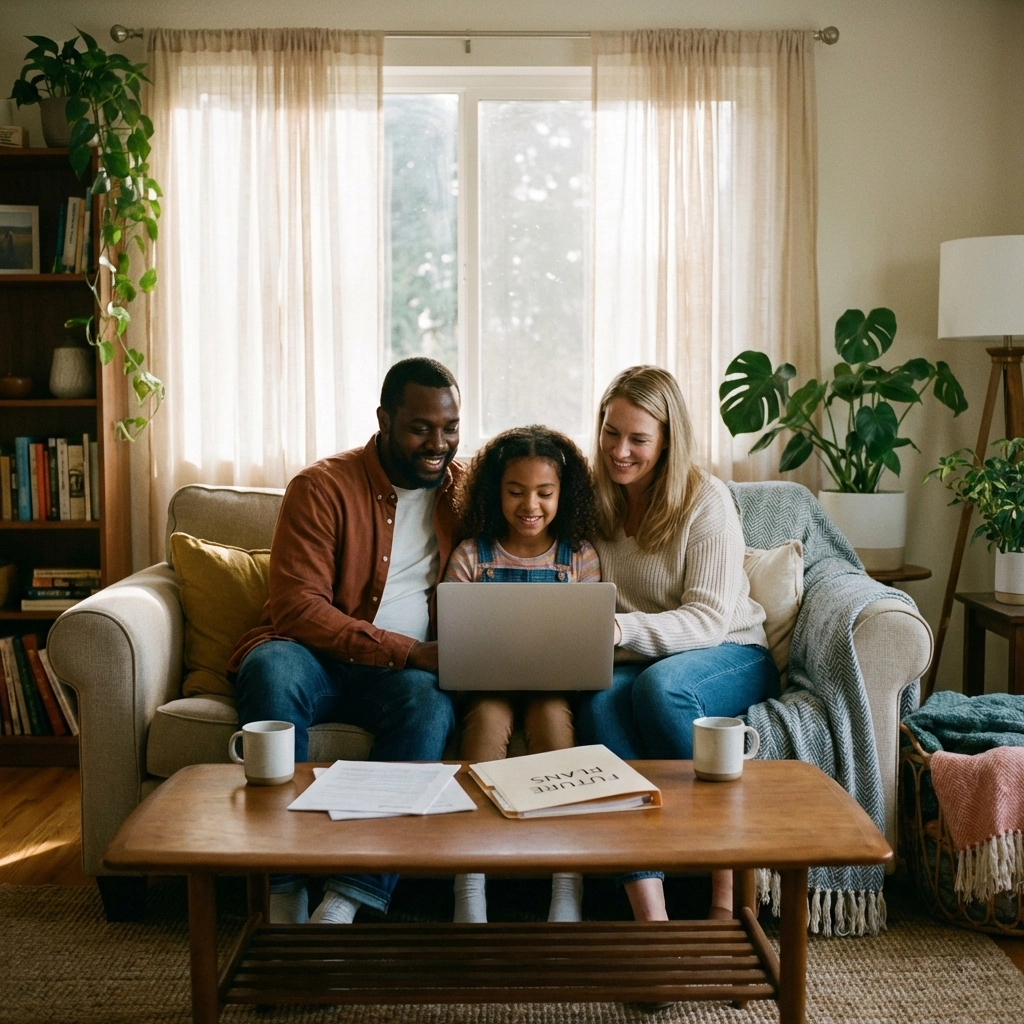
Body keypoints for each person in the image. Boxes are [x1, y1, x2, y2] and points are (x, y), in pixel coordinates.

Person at [227, 356, 464, 925]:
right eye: (420, 428)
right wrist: (407, 650)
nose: (439, 443)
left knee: (430, 703)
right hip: (312, 656)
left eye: (451, 427)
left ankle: (346, 898)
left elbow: (535, 483)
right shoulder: (321, 487)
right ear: (383, 419)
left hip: (399, 679)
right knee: (272, 672)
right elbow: (296, 608)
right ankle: (282, 888)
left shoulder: (464, 492)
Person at [575, 365, 779, 922]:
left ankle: (727, 889)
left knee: (662, 691)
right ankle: (651, 916)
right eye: (610, 432)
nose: (620, 451)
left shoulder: (704, 499)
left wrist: (619, 629)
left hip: (730, 652)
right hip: (634, 655)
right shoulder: (595, 500)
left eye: (638, 439)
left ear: (667, 440)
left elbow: (709, 621)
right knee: (596, 702)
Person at [443, 425, 601, 924]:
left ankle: (566, 879)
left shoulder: (579, 557)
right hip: (485, 687)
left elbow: (588, 638)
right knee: (487, 723)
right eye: (515, 492)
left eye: (544, 493)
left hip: (552, 688)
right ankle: (469, 880)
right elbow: (450, 634)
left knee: (554, 719)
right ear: (496, 493)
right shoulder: (472, 554)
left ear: (563, 495)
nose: (529, 505)